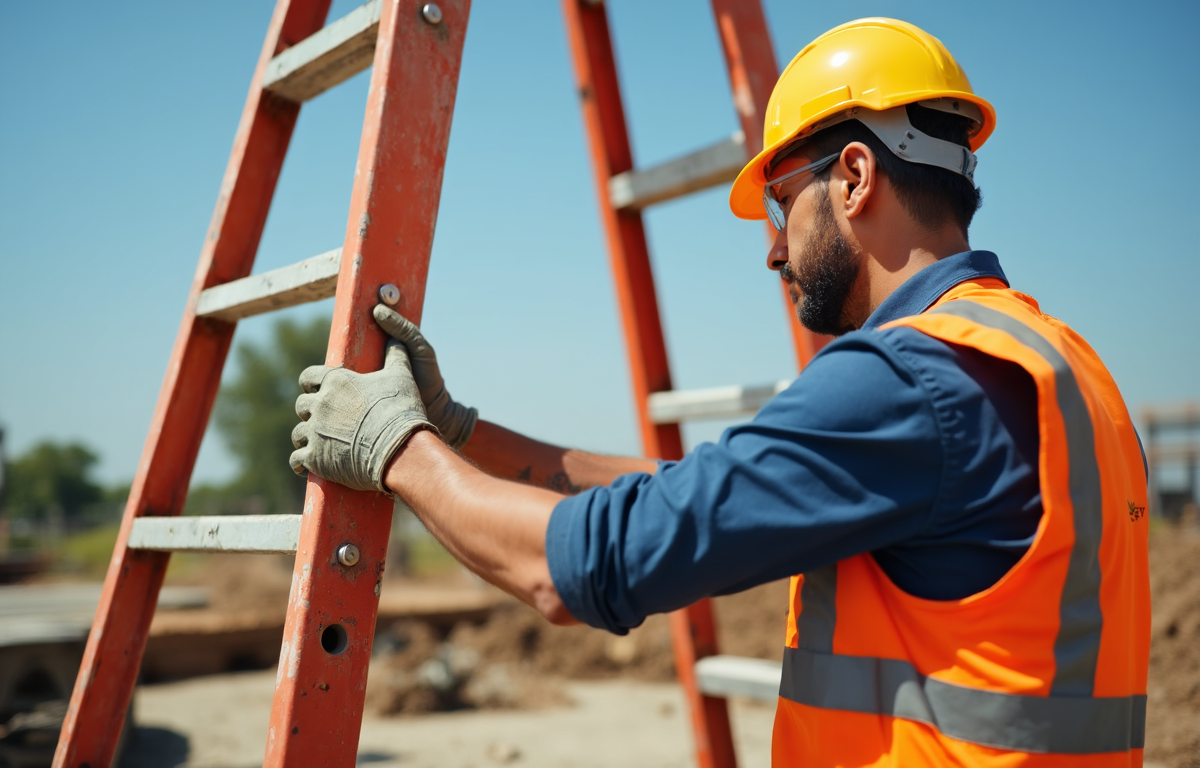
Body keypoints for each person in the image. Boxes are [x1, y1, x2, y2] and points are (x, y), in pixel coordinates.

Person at [289, 17, 1150, 767]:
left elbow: (585, 566)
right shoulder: (1057, 363)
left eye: (782, 204)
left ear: (853, 178)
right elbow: (689, 495)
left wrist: (395, 447)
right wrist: (458, 430)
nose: (773, 250)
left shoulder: (909, 383)